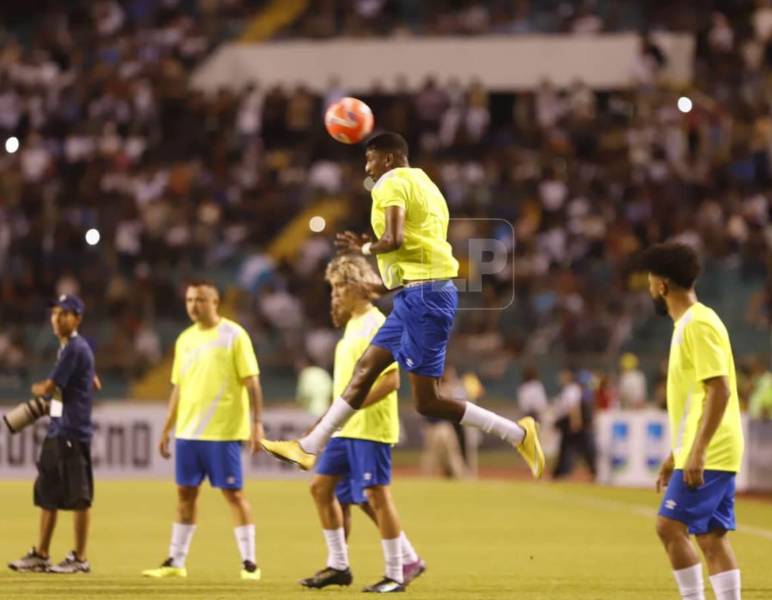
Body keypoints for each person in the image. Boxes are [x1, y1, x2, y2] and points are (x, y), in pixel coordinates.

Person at [261, 132, 544, 482]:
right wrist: (378, 284)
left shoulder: (390, 183)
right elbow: (414, 254)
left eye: (371, 159)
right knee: (366, 368)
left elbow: (393, 240)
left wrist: (366, 249)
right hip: (419, 293)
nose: (368, 168)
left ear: (390, 159)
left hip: (425, 298)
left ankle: (518, 434)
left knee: (428, 401)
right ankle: (309, 446)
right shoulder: (427, 186)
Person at [300, 255, 425, 593]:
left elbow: (391, 381)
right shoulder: (353, 326)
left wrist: (344, 413)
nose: (335, 294)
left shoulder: (375, 324)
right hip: (347, 429)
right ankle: (339, 565)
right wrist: (326, 420)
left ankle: (396, 573)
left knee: (375, 495)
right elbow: (348, 388)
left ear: (358, 287)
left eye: (340, 286)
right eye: (333, 287)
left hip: (370, 426)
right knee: (322, 488)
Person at [142, 281, 265, 580]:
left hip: (223, 432)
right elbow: (178, 388)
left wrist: (257, 422)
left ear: (215, 301)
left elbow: (252, 383)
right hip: (188, 432)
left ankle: (250, 562)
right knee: (185, 494)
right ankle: (176, 561)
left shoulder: (234, 335)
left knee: (234, 494)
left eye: (200, 299)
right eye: (189, 300)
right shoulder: (184, 339)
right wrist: (167, 427)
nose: (193, 305)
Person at [642, 243, 744, 600]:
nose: (649, 288)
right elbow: (696, 400)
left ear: (663, 285)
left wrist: (697, 451)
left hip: (712, 448)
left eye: (650, 282)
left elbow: (720, 390)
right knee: (712, 538)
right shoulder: (690, 324)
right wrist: (677, 454)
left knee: (668, 527)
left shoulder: (698, 324)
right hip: (712, 446)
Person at [8, 294, 100, 574]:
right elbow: (90, 383)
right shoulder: (69, 349)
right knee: (48, 494)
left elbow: (50, 387)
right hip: (59, 429)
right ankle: (42, 554)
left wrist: (40, 392)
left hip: (72, 431)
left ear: (78, 318)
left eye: (65, 313)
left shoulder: (74, 348)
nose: (57, 318)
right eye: (55, 313)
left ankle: (80, 559)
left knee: (79, 497)